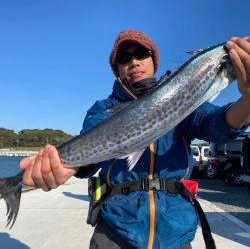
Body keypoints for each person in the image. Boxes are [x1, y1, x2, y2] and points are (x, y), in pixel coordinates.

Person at [20, 30, 250, 249]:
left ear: (153, 61)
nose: (133, 62)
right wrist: (66, 167)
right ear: (117, 68)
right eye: (124, 57)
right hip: (115, 228)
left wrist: (248, 99)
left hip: (174, 229)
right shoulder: (104, 109)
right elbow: (93, 146)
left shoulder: (182, 94)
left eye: (141, 53)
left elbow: (217, 125)